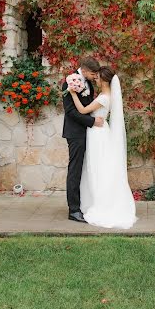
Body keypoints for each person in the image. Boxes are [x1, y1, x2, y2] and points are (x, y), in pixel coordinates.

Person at [68, 66, 137, 230]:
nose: (95, 80)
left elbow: (83, 110)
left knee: (98, 169)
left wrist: (72, 94)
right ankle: (93, 200)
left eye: (97, 77)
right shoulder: (104, 95)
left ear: (105, 80)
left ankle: (102, 203)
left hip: (98, 134)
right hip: (97, 131)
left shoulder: (104, 97)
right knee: (96, 168)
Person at [62, 56, 104, 223]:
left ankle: (84, 204)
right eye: (93, 73)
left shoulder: (88, 83)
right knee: (75, 169)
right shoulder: (69, 82)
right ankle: (73, 210)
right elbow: (70, 111)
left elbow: (87, 106)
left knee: (87, 169)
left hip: (88, 132)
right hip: (75, 133)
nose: (95, 77)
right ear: (84, 70)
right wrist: (92, 121)